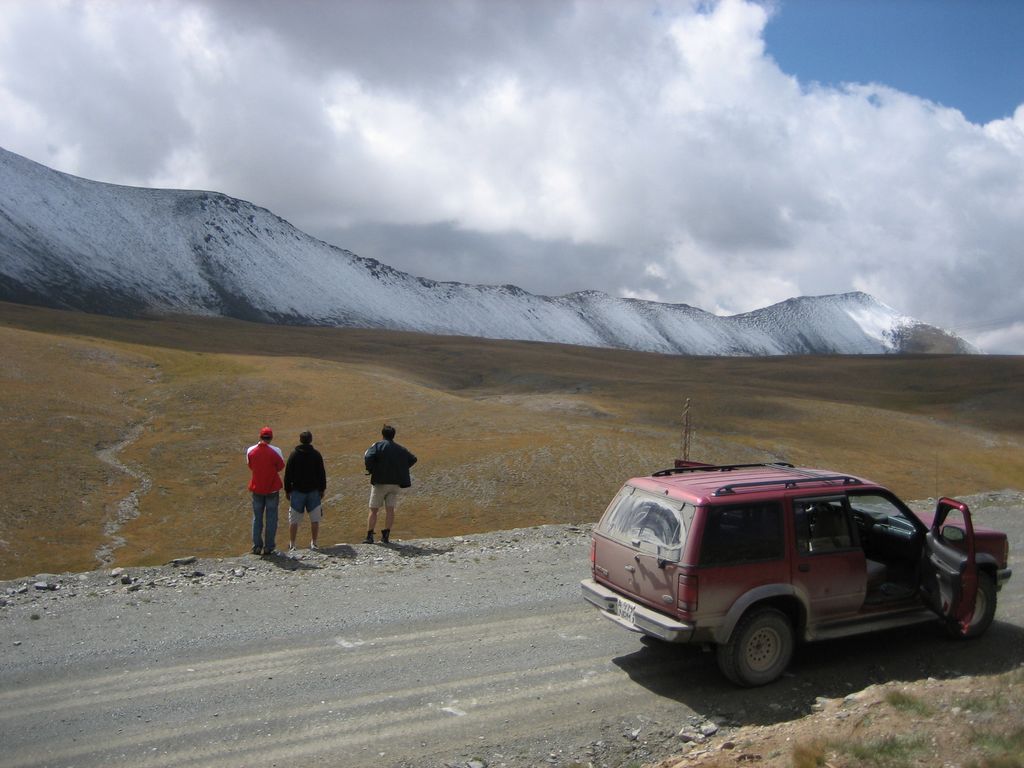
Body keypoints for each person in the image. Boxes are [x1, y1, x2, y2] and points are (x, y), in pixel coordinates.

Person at [363, 424, 417, 544]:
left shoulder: (378, 446)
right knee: (390, 510)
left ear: (382, 434)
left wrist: (371, 469)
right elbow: (413, 459)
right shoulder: (400, 449)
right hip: (395, 484)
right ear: (393, 435)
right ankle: (386, 536)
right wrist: (401, 469)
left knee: (373, 510)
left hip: (380, 483)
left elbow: (368, 457)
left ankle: (369, 536)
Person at [284, 430, 327, 552]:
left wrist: (287, 490)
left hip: (297, 491)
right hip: (313, 491)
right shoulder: (316, 455)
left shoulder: (294, 455)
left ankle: (292, 544)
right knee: (315, 519)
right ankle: (314, 543)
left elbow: (288, 474)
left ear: (300, 440)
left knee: (294, 520)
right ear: (311, 440)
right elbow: (321, 473)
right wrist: (322, 489)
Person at [246, 426, 285, 556]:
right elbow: (280, 466)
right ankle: (269, 546)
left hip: (257, 488)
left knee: (257, 517)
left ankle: (257, 546)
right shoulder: (276, 451)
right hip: (272, 489)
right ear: (271, 438)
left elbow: (250, 465)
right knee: (271, 518)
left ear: (260, 436)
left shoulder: (251, 450)